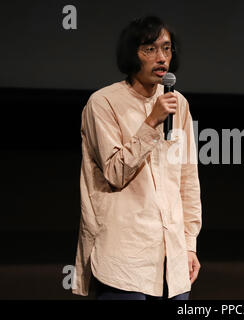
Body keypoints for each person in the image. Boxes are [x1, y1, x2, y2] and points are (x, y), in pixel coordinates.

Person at [72, 16, 202, 300]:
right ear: (132, 54)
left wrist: (189, 244)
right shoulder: (103, 103)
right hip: (124, 256)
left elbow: (187, 179)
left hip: (172, 256)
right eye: (150, 49)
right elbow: (115, 172)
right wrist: (152, 122)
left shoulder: (178, 104)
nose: (161, 58)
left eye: (166, 49)